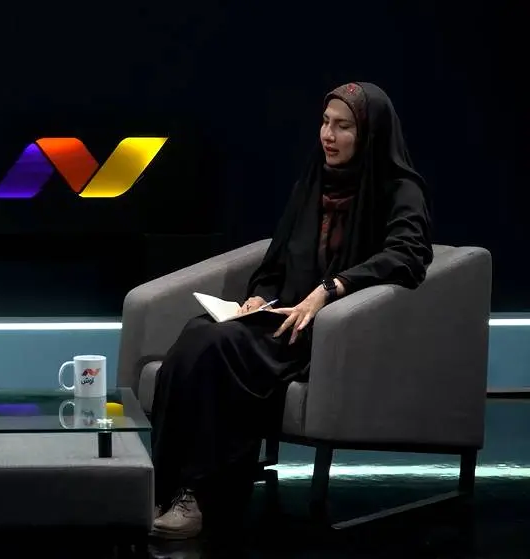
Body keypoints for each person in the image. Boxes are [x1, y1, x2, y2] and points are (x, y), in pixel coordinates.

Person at [149, 82, 433, 539]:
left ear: (369, 135)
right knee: (197, 335)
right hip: (281, 317)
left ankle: (200, 497)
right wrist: (258, 297)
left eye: (343, 127)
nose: (328, 135)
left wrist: (330, 289)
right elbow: (275, 264)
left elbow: (408, 254)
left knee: (218, 347)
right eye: (325, 123)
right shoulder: (312, 183)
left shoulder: (400, 189)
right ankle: (166, 490)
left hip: (332, 330)